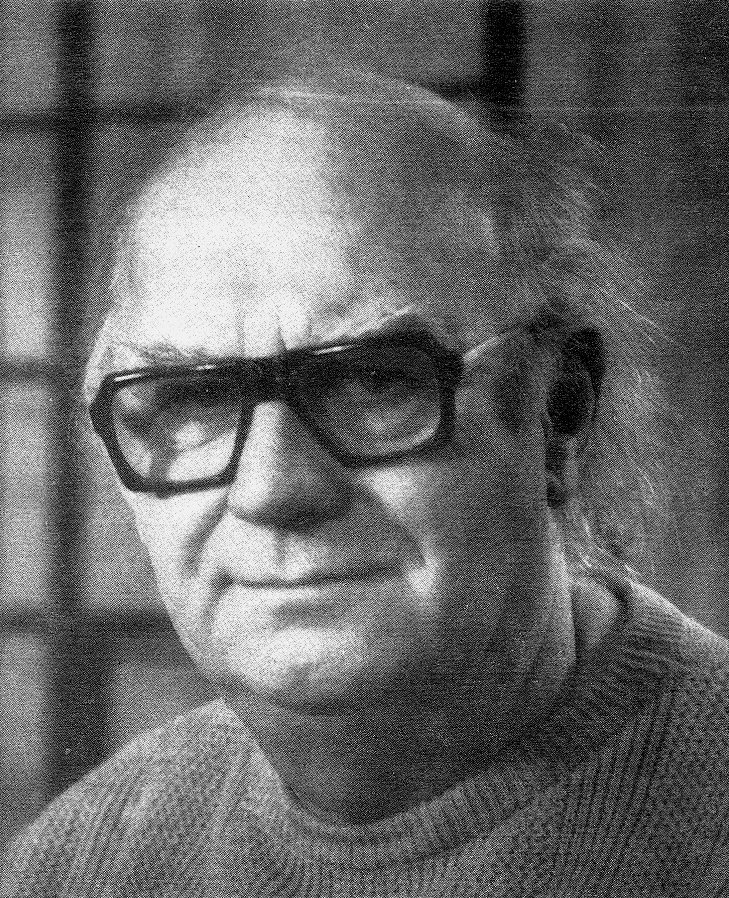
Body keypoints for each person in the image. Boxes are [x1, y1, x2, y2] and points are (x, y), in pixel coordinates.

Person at [4, 65, 729, 898]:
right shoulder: (85, 858)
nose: (272, 489)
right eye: (193, 398)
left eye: (373, 383)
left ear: (557, 412)